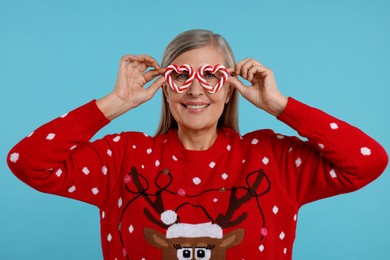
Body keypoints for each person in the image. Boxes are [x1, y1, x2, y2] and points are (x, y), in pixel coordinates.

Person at [7, 29, 388, 260]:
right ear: (164, 87)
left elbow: (367, 162)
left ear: (230, 88)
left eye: (211, 76)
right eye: (181, 76)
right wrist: (114, 104)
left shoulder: (274, 157)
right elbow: (27, 161)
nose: (194, 89)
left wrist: (281, 106)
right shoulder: (123, 157)